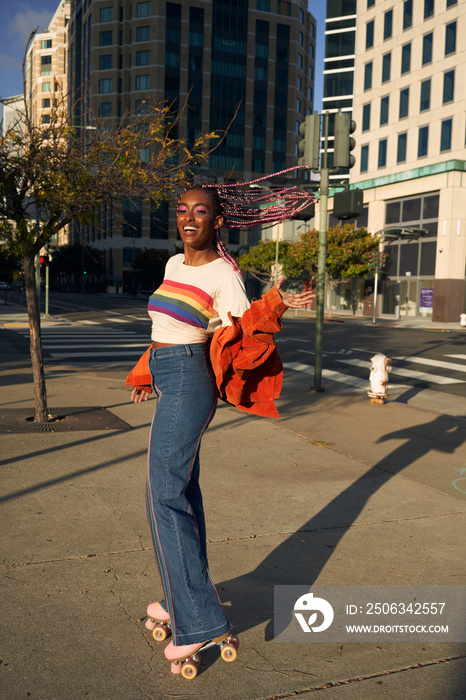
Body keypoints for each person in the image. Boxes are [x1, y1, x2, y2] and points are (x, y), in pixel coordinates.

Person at [128, 172, 316, 677]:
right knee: (181, 492)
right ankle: (181, 597)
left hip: (192, 380)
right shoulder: (172, 262)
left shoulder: (222, 274)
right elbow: (165, 327)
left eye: (200, 211)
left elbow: (239, 332)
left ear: (219, 220)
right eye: (183, 209)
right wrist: (150, 372)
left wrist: (275, 304)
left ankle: (196, 621)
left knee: (162, 493)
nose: (189, 217)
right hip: (171, 374)